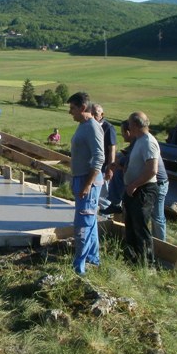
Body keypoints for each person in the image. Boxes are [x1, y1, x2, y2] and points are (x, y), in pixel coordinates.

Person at [104, 120, 170, 241]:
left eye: (124, 132)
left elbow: (151, 170)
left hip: (157, 183)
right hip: (143, 183)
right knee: (140, 218)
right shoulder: (136, 143)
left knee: (156, 216)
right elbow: (131, 162)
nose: (122, 135)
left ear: (130, 131)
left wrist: (133, 185)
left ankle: (161, 245)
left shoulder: (146, 142)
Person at [67, 92, 105, 276]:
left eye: (72, 108)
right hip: (80, 178)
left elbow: (99, 158)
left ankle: (79, 267)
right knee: (90, 223)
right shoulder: (82, 125)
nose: (70, 112)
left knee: (83, 224)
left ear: (83, 108)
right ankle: (92, 258)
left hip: (88, 180)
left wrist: (87, 184)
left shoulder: (92, 127)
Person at [123, 111, 160, 266]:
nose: (129, 127)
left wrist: (134, 185)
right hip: (134, 188)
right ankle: (132, 259)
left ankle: (147, 264)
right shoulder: (139, 140)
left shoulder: (149, 142)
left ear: (137, 125)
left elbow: (152, 170)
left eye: (130, 124)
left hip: (144, 190)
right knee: (131, 225)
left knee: (141, 227)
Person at [91, 104, 117, 209]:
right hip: (92, 165)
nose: (93, 116)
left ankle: (104, 217)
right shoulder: (90, 126)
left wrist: (110, 168)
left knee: (103, 194)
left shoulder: (108, 128)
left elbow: (112, 149)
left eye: (95, 114)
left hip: (103, 167)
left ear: (102, 114)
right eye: (91, 113)